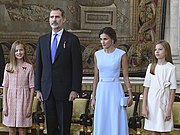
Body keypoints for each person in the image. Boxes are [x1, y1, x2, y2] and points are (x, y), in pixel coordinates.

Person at [35, 7, 82, 135]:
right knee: (50, 127)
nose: (54, 20)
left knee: (64, 126)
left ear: (63, 20)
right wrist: (38, 88)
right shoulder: (42, 40)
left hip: (65, 91)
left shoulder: (72, 39)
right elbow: (38, 66)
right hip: (47, 91)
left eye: (57, 17)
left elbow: (77, 67)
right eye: (51, 17)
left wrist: (75, 89)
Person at [91, 27, 133, 135]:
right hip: (102, 90)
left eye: (105, 39)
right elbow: (96, 77)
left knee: (115, 117)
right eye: (101, 39)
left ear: (112, 39)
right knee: (102, 117)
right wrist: (93, 97)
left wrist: (130, 94)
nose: (102, 42)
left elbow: (125, 76)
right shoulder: (97, 55)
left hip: (115, 89)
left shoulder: (121, 54)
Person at [142, 40, 177, 135]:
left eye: (160, 49)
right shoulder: (151, 67)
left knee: (164, 131)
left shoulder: (171, 68)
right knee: (154, 131)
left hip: (164, 103)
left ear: (166, 52)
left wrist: (169, 109)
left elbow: (172, 90)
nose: (157, 51)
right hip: (152, 102)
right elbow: (146, 87)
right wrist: (144, 106)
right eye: (155, 49)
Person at [2, 40, 34, 135]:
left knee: (22, 128)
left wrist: (29, 106)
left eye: (21, 50)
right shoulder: (8, 67)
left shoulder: (29, 67)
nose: (19, 52)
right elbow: (5, 86)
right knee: (11, 127)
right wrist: (5, 105)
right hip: (10, 100)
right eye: (16, 50)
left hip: (24, 100)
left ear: (24, 51)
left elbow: (32, 88)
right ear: (13, 52)